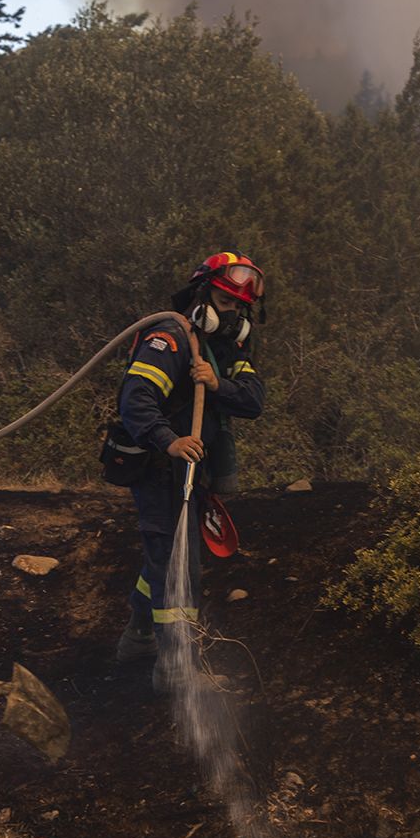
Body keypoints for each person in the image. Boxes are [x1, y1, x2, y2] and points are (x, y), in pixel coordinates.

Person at [113, 252, 266, 673]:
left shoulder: (227, 347)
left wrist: (218, 385)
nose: (231, 314)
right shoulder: (171, 338)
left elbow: (253, 401)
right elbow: (136, 401)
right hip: (160, 469)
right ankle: (177, 669)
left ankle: (138, 636)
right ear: (202, 296)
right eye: (225, 301)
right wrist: (170, 441)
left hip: (194, 472)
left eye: (239, 307)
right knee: (176, 563)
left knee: (165, 558)